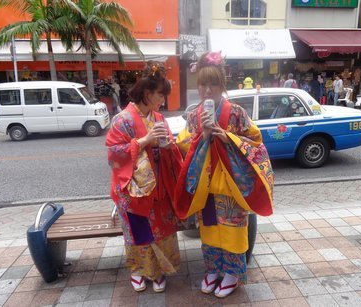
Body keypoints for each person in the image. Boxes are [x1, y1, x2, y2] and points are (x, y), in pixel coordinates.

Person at [174, 51, 274, 298]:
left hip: (231, 183)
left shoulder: (236, 112)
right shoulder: (194, 114)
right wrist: (203, 137)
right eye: (203, 84)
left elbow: (255, 141)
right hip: (206, 184)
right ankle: (213, 269)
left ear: (222, 85)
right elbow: (183, 144)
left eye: (213, 84)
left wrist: (227, 136)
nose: (208, 90)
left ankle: (232, 274)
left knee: (232, 229)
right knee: (209, 229)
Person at [105, 61, 183, 293]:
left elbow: (169, 147)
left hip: (158, 187)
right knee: (138, 232)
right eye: (160, 96)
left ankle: (158, 271)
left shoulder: (159, 118)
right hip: (133, 189)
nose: (163, 101)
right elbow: (113, 155)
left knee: (160, 230)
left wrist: (169, 146)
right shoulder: (123, 120)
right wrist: (143, 141)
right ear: (147, 93)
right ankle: (138, 271)